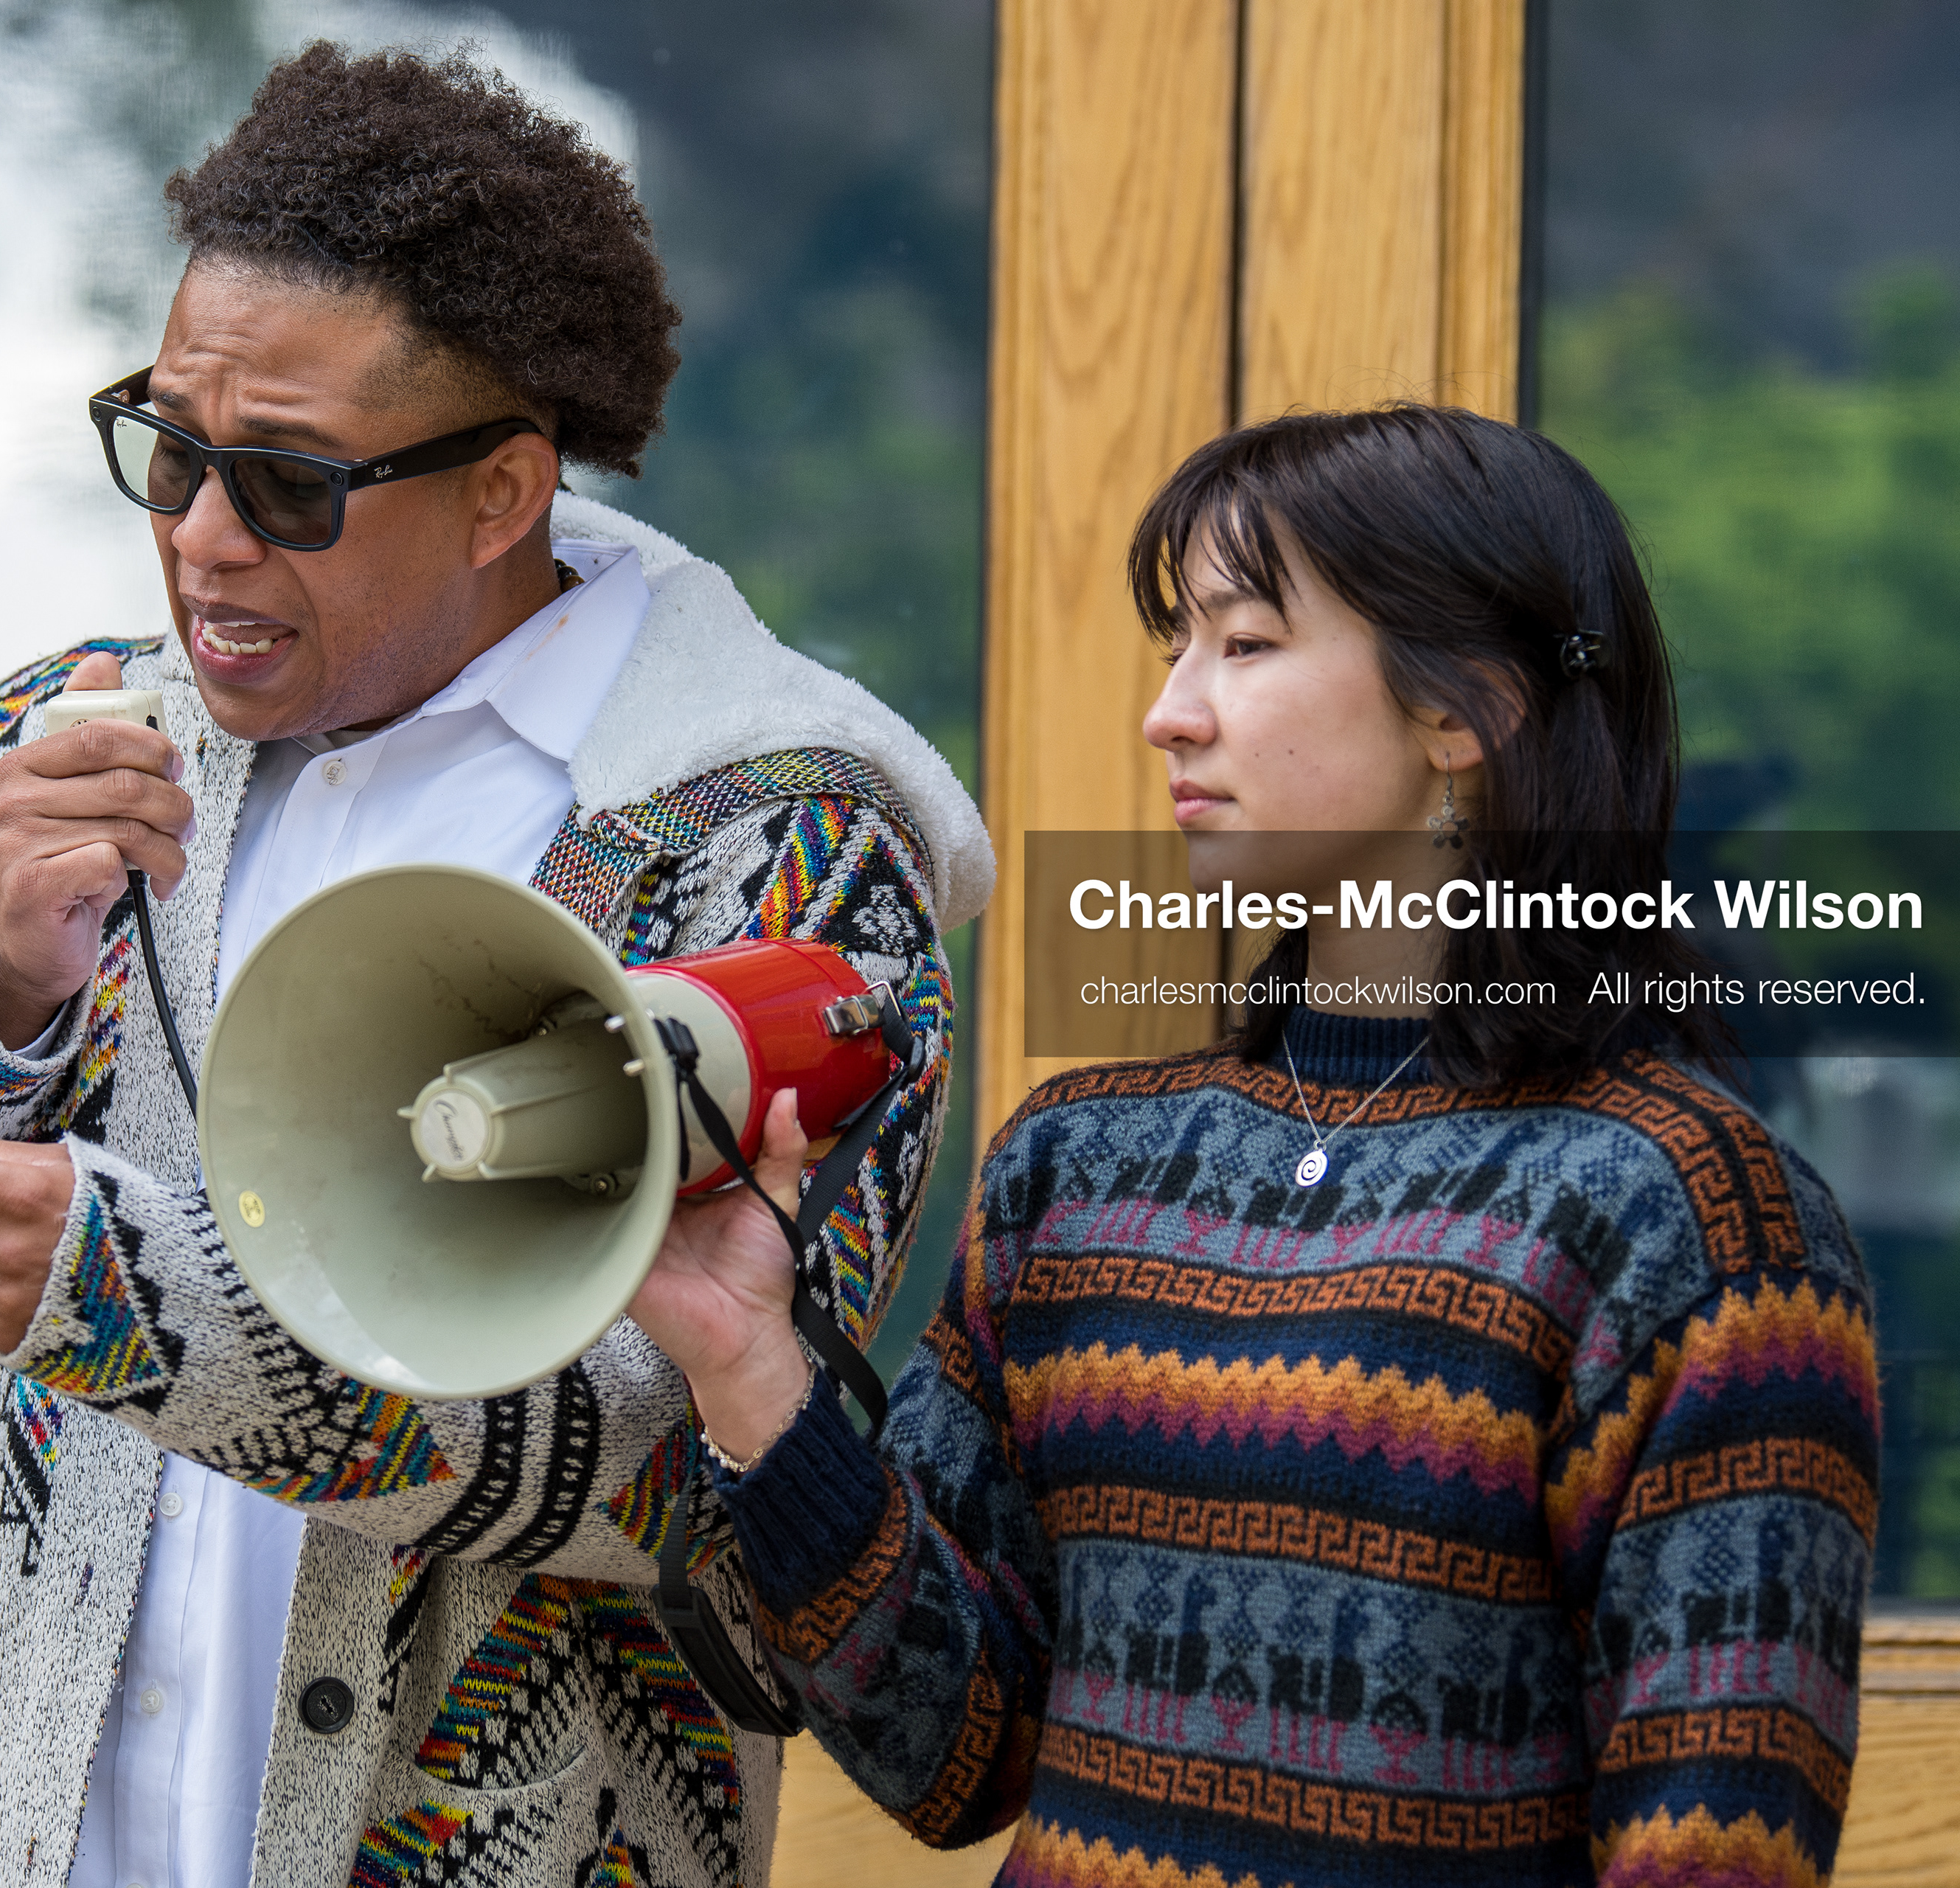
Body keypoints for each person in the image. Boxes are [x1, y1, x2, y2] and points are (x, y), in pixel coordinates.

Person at [0, 43, 993, 1888]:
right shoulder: (37, 747)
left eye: (289, 484)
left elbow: (643, 1464)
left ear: (503, 494)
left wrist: (119, 1289)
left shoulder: (780, 847)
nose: (198, 535)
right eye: (167, 449)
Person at [633, 406, 1880, 1888]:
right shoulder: (1072, 1166)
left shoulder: (1689, 1213)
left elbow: (1714, 1853)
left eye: (1247, 642)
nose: (1171, 710)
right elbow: (956, 1756)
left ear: (1463, 712)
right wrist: (749, 1364)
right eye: (1178, 645)